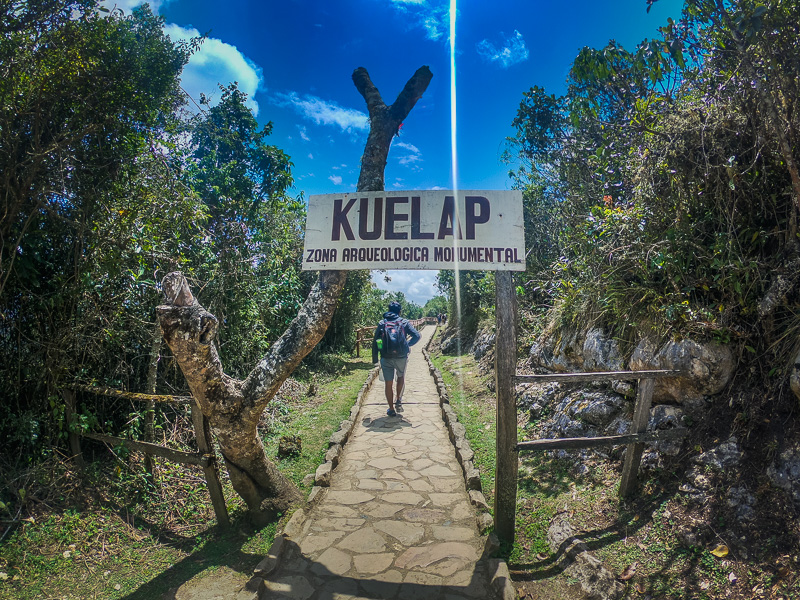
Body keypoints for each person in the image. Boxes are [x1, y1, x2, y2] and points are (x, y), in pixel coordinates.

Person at [372, 301, 421, 417]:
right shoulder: (404, 322)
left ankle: (391, 408)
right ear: (400, 311)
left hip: (386, 357)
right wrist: (407, 345)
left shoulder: (382, 323)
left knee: (388, 383)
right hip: (401, 356)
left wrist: (376, 356)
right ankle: (398, 399)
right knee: (400, 377)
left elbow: (376, 341)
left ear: (388, 310)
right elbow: (417, 335)